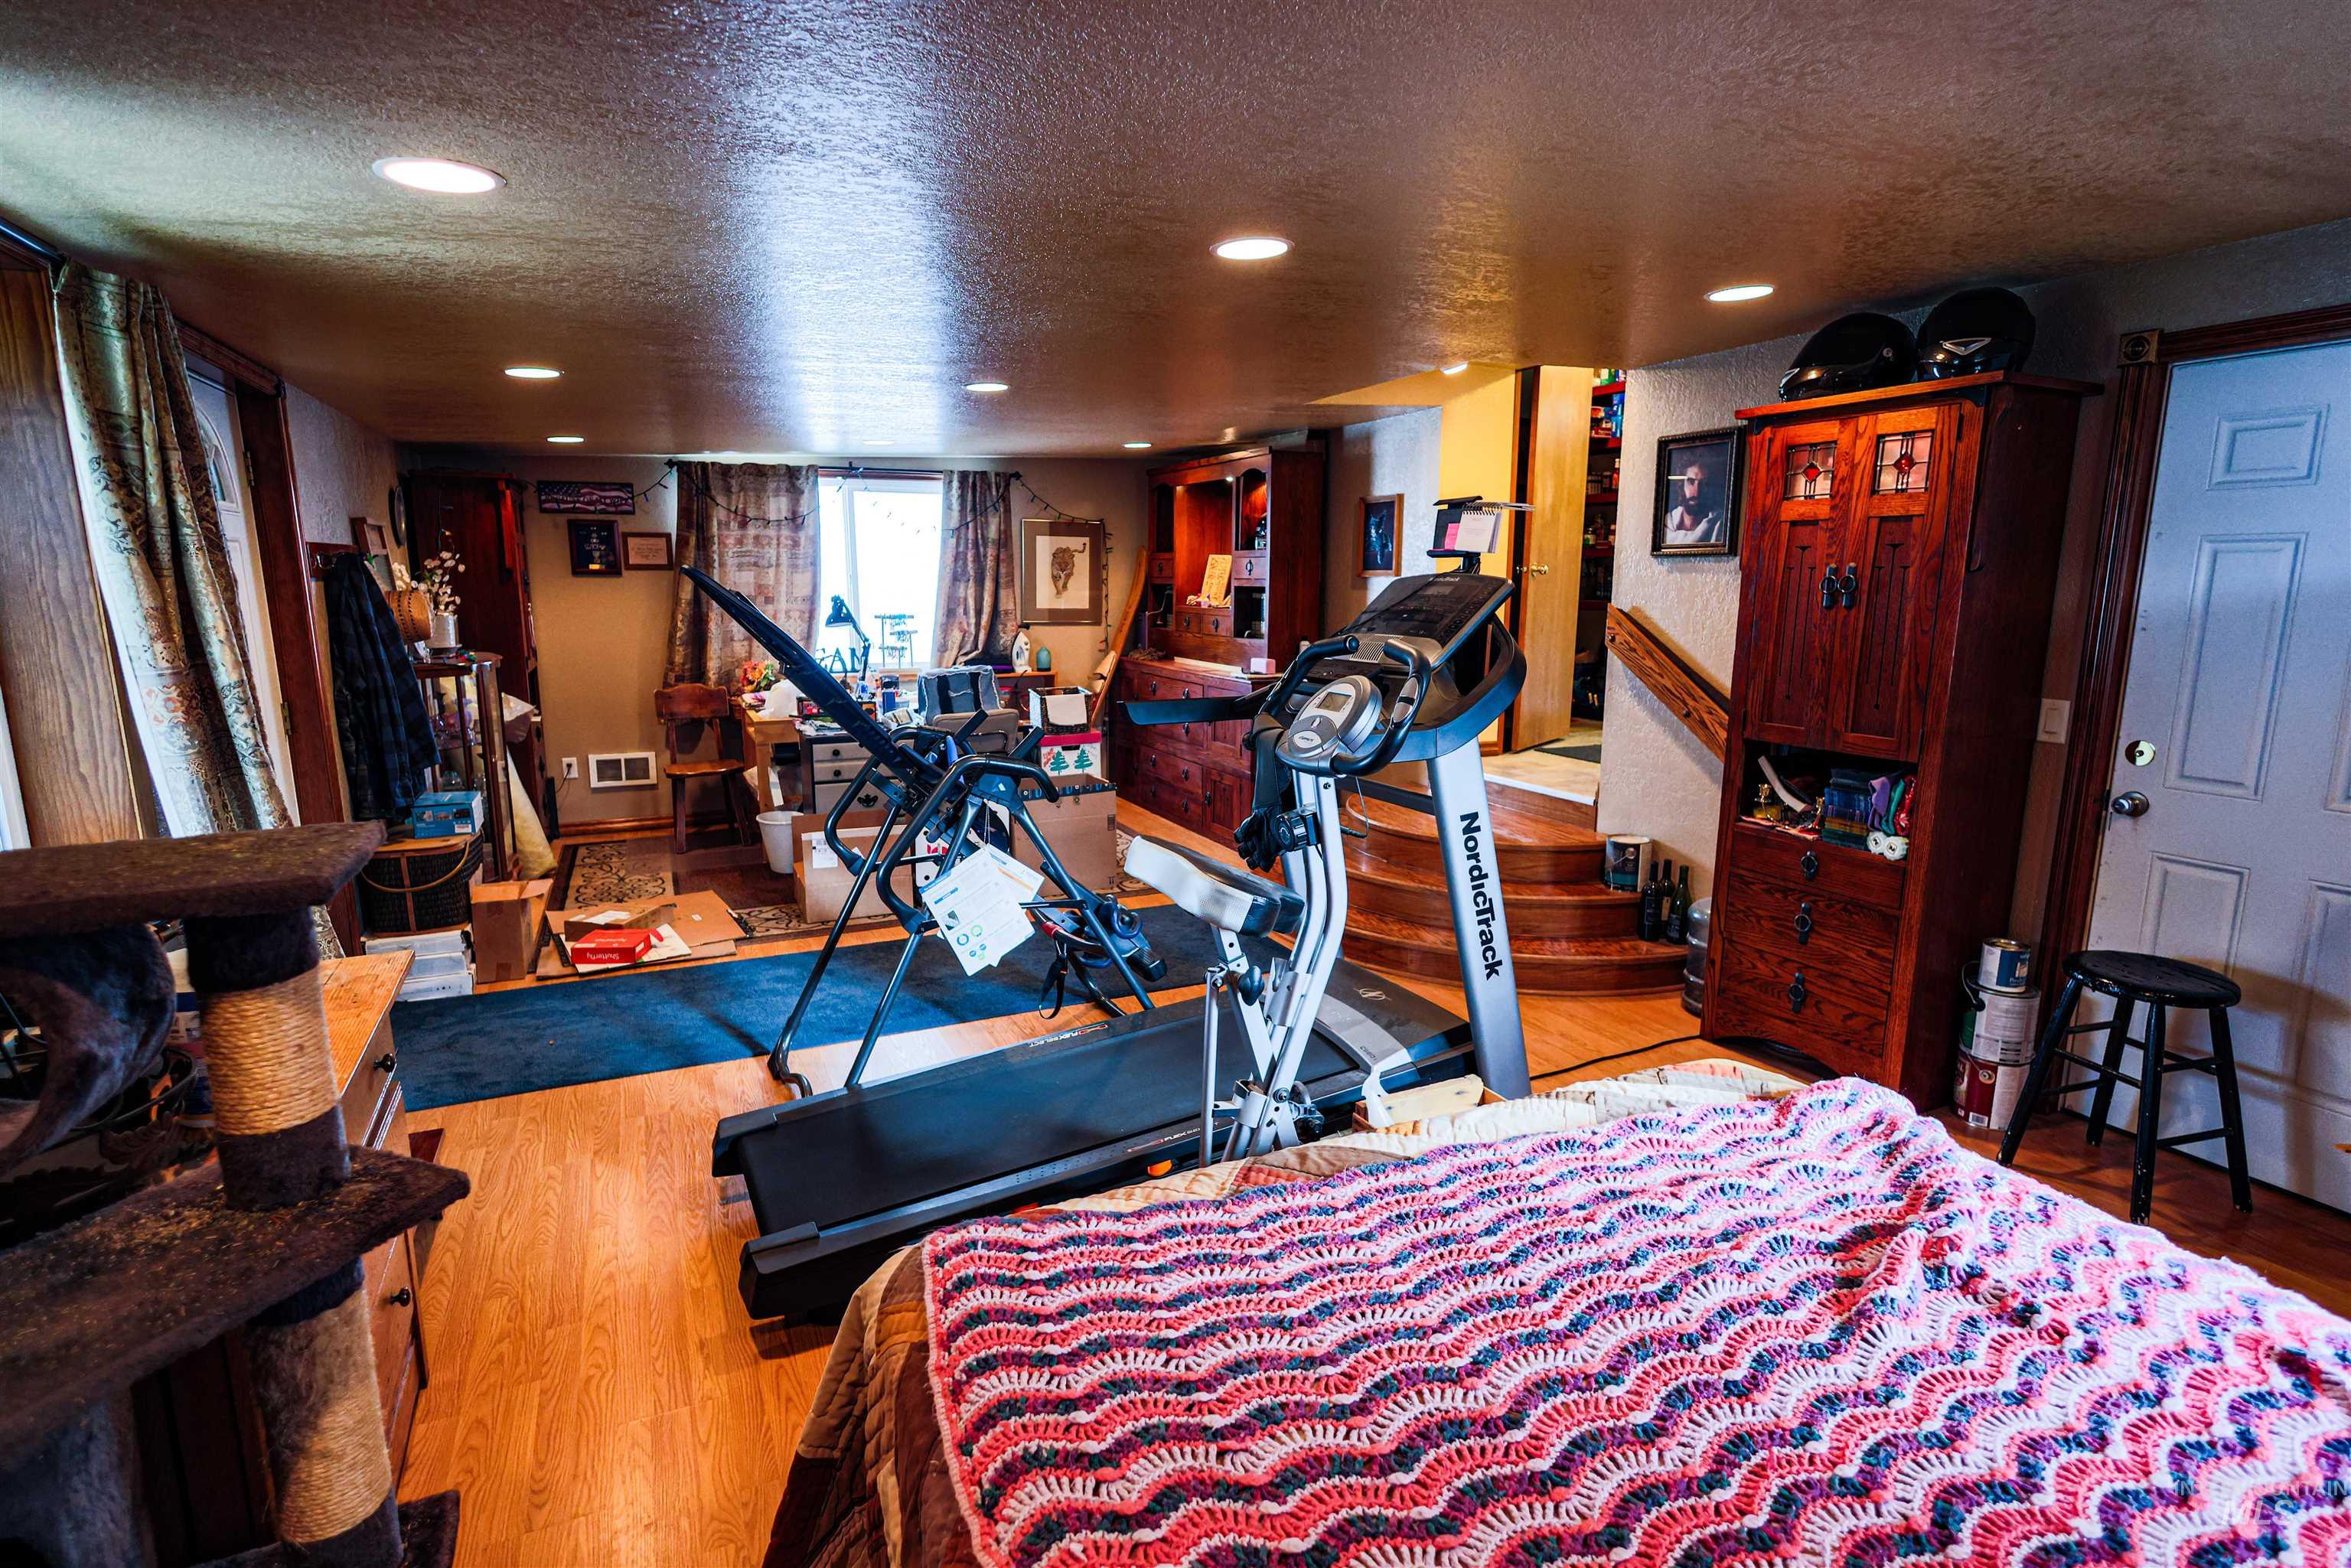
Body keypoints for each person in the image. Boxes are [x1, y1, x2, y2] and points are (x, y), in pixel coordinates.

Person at [1662, 456, 1726, 547]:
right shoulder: (1667, 524)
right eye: (1691, 482)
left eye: (1704, 484)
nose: (1696, 492)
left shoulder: (1720, 525)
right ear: (1681, 485)